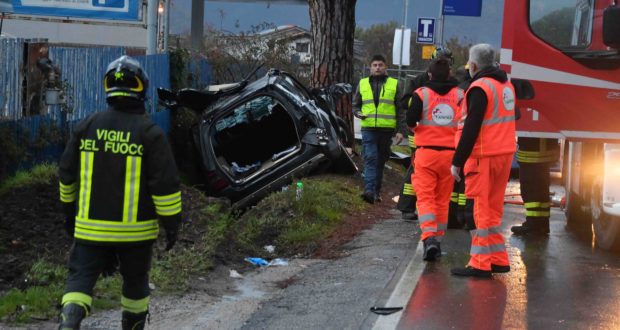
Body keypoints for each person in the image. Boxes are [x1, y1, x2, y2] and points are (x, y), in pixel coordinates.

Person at [57, 55, 182, 329]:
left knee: (79, 281)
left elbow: (67, 176)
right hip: (136, 234)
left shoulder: (86, 127)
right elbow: (165, 187)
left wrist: (69, 214)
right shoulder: (150, 133)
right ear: (141, 88)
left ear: (107, 87)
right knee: (135, 285)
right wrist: (171, 225)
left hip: (90, 231)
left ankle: (69, 322)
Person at [450, 44, 515, 278]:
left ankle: (479, 262)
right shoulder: (505, 85)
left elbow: (471, 128)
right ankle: (497, 259)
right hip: (504, 154)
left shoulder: (479, 88)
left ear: (474, 65)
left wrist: (457, 160)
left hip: (482, 156)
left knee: (478, 209)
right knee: (492, 209)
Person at [407, 58, 463, 261]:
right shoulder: (459, 95)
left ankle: (429, 237)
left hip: (426, 154)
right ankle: (437, 241)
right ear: (449, 74)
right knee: (442, 200)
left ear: (429, 75)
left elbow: (410, 121)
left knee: (425, 197)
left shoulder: (421, 94)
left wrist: (420, 129)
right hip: (450, 155)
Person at [396, 46, 454, 220]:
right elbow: (405, 102)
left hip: (444, 136)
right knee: (416, 168)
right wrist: (419, 103)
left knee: (431, 173)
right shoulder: (418, 81)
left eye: (447, 61)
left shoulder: (453, 83)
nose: (445, 64)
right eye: (441, 61)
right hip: (422, 133)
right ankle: (407, 206)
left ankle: (434, 209)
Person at [353, 54, 407, 204]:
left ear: (385, 67)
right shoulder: (362, 83)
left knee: (381, 161)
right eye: (375, 65)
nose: (377, 68)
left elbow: (400, 109)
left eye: (380, 65)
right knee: (370, 158)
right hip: (368, 128)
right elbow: (355, 105)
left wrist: (401, 130)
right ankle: (369, 191)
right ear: (370, 68)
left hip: (386, 130)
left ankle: (376, 191)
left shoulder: (395, 84)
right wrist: (358, 113)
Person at [511, 137, 560, 235]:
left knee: (530, 190)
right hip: (541, 149)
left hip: (532, 150)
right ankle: (542, 224)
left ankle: (533, 224)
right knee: (541, 188)